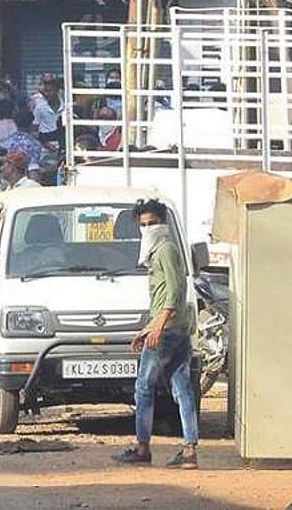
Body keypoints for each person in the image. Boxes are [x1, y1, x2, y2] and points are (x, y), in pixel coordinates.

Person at [113, 198, 198, 469]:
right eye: (144, 224)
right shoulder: (161, 250)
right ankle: (189, 450)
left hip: (167, 331)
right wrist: (147, 328)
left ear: (163, 223)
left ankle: (142, 448)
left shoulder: (165, 250)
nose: (148, 228)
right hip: (172, 328)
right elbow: (164, 297)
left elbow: (174, 293)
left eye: (153, 223)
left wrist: (157, 327)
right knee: (182, 387)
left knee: (143, 388)